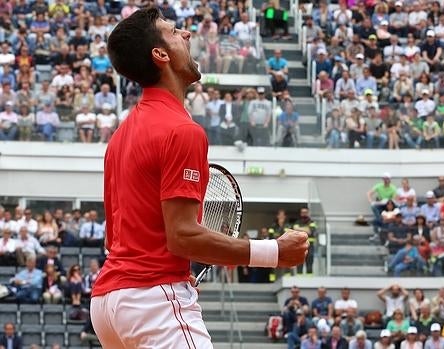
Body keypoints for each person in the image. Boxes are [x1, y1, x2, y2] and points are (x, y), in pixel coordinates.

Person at [90, 9, 308, 348]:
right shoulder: (182, 130)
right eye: (174, 32)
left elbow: (117, 240)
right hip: (152, 303)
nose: (187, 35)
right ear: (160, 55)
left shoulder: (120, 136)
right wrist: (273, 252)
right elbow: (182, 236)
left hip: (108, 303)